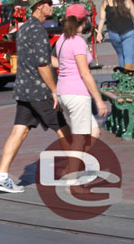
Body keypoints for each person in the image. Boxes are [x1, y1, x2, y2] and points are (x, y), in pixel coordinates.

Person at [0, 0, 69, 194]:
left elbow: (34, 57)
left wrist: (64, 62)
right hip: (39, 91)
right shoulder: (39, 31)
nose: (52, 7)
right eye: (49, 4)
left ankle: (1, 175)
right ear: (40, 6)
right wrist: (54, 90)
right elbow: (42, 64)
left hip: (23, 89)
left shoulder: (24, 28)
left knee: (20, 130)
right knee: (64, 131)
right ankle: (75, 175)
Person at [53, 14, 108, 180]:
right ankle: (72, 177)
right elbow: (85, 73)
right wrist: (99, 100)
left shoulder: (62, 39)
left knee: (94, 132)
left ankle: (72, 164)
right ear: (82, 22)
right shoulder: (77, 42)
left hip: (65, 91)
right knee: (80, 138)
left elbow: (54, 60)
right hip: (77, 93)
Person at [98, 0, 134, 70]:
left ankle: (123, 77)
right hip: (128, 31)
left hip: (114, 33)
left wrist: (99, 33)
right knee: (128, 56)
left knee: (120, 55)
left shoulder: (106, 2)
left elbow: (102, 19)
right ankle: (129, 78)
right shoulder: (127, 0)